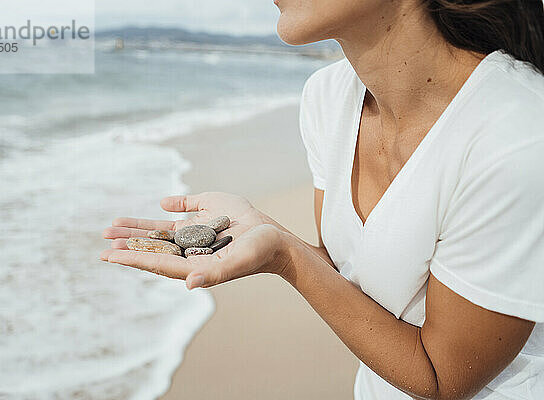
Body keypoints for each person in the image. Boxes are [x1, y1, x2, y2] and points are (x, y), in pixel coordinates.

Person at [101, 1, 544, 398]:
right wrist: (262, 230)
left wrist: (286, 257)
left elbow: (442, 377)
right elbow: (349, 276)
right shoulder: (327, 98)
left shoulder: (516, 133)